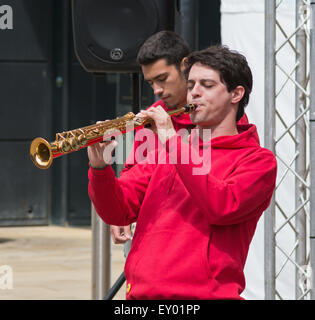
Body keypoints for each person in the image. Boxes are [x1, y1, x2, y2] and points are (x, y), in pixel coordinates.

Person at [87, 45, 277, 300]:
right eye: (190, 85)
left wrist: (171, 140)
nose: (194, 93)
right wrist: (100, 169)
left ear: (236, 93)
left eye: (206, 85)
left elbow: (220, 206)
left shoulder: (257, 161)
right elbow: (118, 210)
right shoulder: (164, 153)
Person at [110, 31, 249, 244]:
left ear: (184, 66)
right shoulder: (153, 116)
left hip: (202, 238)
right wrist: (119, 207)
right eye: (150, 83)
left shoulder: (224, 115)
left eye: (162, 79)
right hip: (154, 234)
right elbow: (134, 171)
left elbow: (229, 191)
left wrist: (172, 139)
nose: (157, 90)